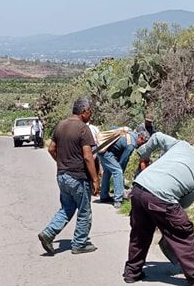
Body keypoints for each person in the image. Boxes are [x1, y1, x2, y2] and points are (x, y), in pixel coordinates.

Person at [122, 131, 194, 286]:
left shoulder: (182, 145)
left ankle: (132, 272)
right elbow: (182, 203)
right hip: (160, 197)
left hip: (139, 187)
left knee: (140, 232)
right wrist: (168, 224)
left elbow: (157, 136)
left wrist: (144, 154)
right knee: (185, 231)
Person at [38, 98, 99, 256]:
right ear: (83, 111)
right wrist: (95, 179)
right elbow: (87, 157)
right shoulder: (83, 129)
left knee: (67, 207)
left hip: (62, 176)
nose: (90, 115)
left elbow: (51, 149)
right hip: (78, 177)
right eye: (89, 112)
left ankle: (48, 233)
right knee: (84, 210)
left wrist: (61, 162)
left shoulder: (60, 125)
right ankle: (79, 244)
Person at [99, 128, 150, 208]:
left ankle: (104, 196)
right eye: (143, 143)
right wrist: (121, 176)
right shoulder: (131, 145)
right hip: (105, 152)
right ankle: (118, 199)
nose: (142, 145)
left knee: (108, 171)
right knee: (118, 171)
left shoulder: (131, 134)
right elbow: (123, 162)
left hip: (104, 149)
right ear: (140, 138)